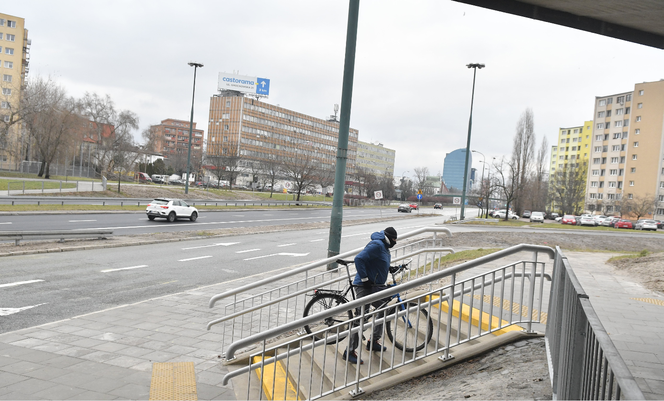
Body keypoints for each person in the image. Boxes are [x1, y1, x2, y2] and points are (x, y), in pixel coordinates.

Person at [342, 227, 398, 365]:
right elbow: (359, 259)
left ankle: (373, 341)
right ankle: (348, 351)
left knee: (384, 307)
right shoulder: (377, 245)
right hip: (364, 286)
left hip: (375, 286)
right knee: (361, 317)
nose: (395, 242)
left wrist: (388, 268)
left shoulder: (384, 246)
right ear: (388, 237)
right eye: (394, 240)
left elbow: (377, 262)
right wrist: (365, 279)